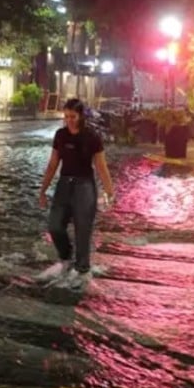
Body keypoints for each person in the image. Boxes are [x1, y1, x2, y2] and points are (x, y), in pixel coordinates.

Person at [36, 98, 117, 290]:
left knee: (83, 229)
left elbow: (101, 167)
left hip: (84, 186)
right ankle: (65, 259)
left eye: (73, 116)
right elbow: (53, 164)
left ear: (81, 116)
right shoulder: (61, 135)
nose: (69, 120)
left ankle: (82, 269)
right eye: (66, 117)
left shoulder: (92, 137)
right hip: (64, 184)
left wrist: (109, 192)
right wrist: (43, 190)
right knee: (55, 225)